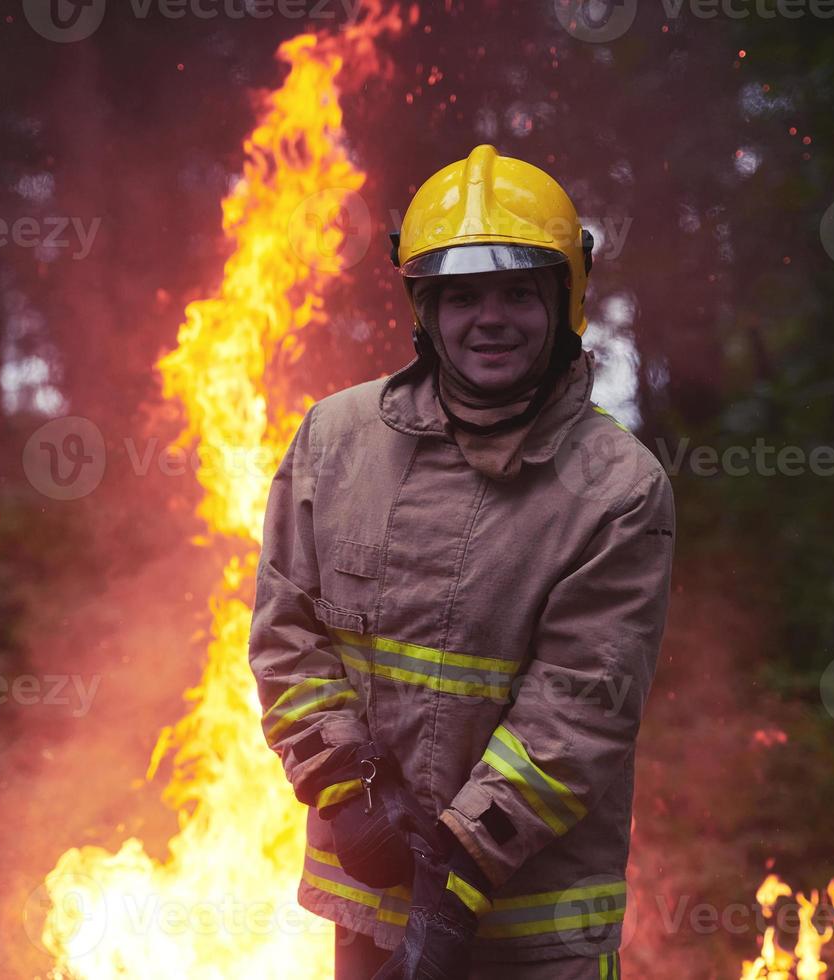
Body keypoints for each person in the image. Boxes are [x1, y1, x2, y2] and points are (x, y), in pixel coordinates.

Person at [248, 144, 674, 979]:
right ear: (425, 306)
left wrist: (460, 871)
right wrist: (349, 793)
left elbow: (581, 706)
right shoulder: (335, 439)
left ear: (566, 299)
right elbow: (286, 632)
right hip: (370, 901)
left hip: (534, 931)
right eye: (463, 295)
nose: (492, 317)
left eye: (519, 291)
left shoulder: (619, 487)